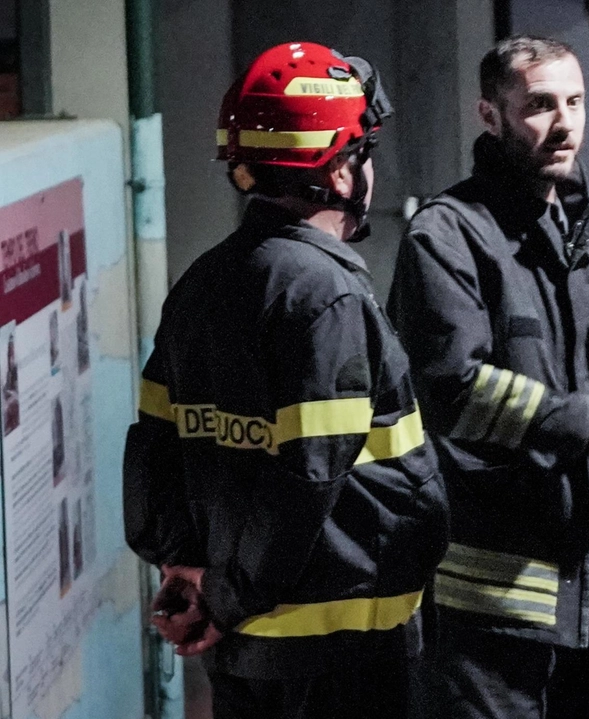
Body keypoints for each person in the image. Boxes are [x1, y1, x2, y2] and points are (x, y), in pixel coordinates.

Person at [122, 43, 448, 719]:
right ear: (337, 169)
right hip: (341, 656)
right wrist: (229, 594)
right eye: (364, 150)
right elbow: (307, 475)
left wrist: (189, 573)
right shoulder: (326, 296)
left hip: (247, 648)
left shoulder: (204, 282)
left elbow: (154, 443)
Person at [386, 35, 589, 719]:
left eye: (574, 102)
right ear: (489, 114)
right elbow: (450, 388)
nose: (563, 124)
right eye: (537, 105)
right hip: (493, 610)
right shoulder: (447, 236)